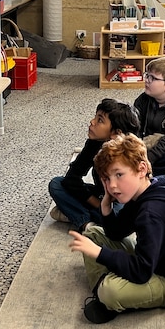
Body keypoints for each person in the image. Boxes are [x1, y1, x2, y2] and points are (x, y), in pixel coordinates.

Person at [68, 133, 165, 324]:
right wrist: (106, 205)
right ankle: (107, 287)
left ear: (141, 169)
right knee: (92, 234)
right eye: (107, 178)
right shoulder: (145, 190)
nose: (112, 185)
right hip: (155, 260)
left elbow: (142, 271)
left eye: (119, 174)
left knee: (110, 291)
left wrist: (100, 254)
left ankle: (106, 295)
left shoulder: (152, 212)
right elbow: (115, 233)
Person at [48, 98, 140, 231]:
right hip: (102, 197)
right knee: (56, 184)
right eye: (95, 117)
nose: (92, 122)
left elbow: (127, 193)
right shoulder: (94, 143)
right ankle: (87, 224)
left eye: (100, 120)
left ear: (116, 133)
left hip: (121, 200)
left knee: (121, 218)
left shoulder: (128, 153)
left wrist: (105, 205)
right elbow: (72, 178)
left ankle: (75, 213)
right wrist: (97, 203)